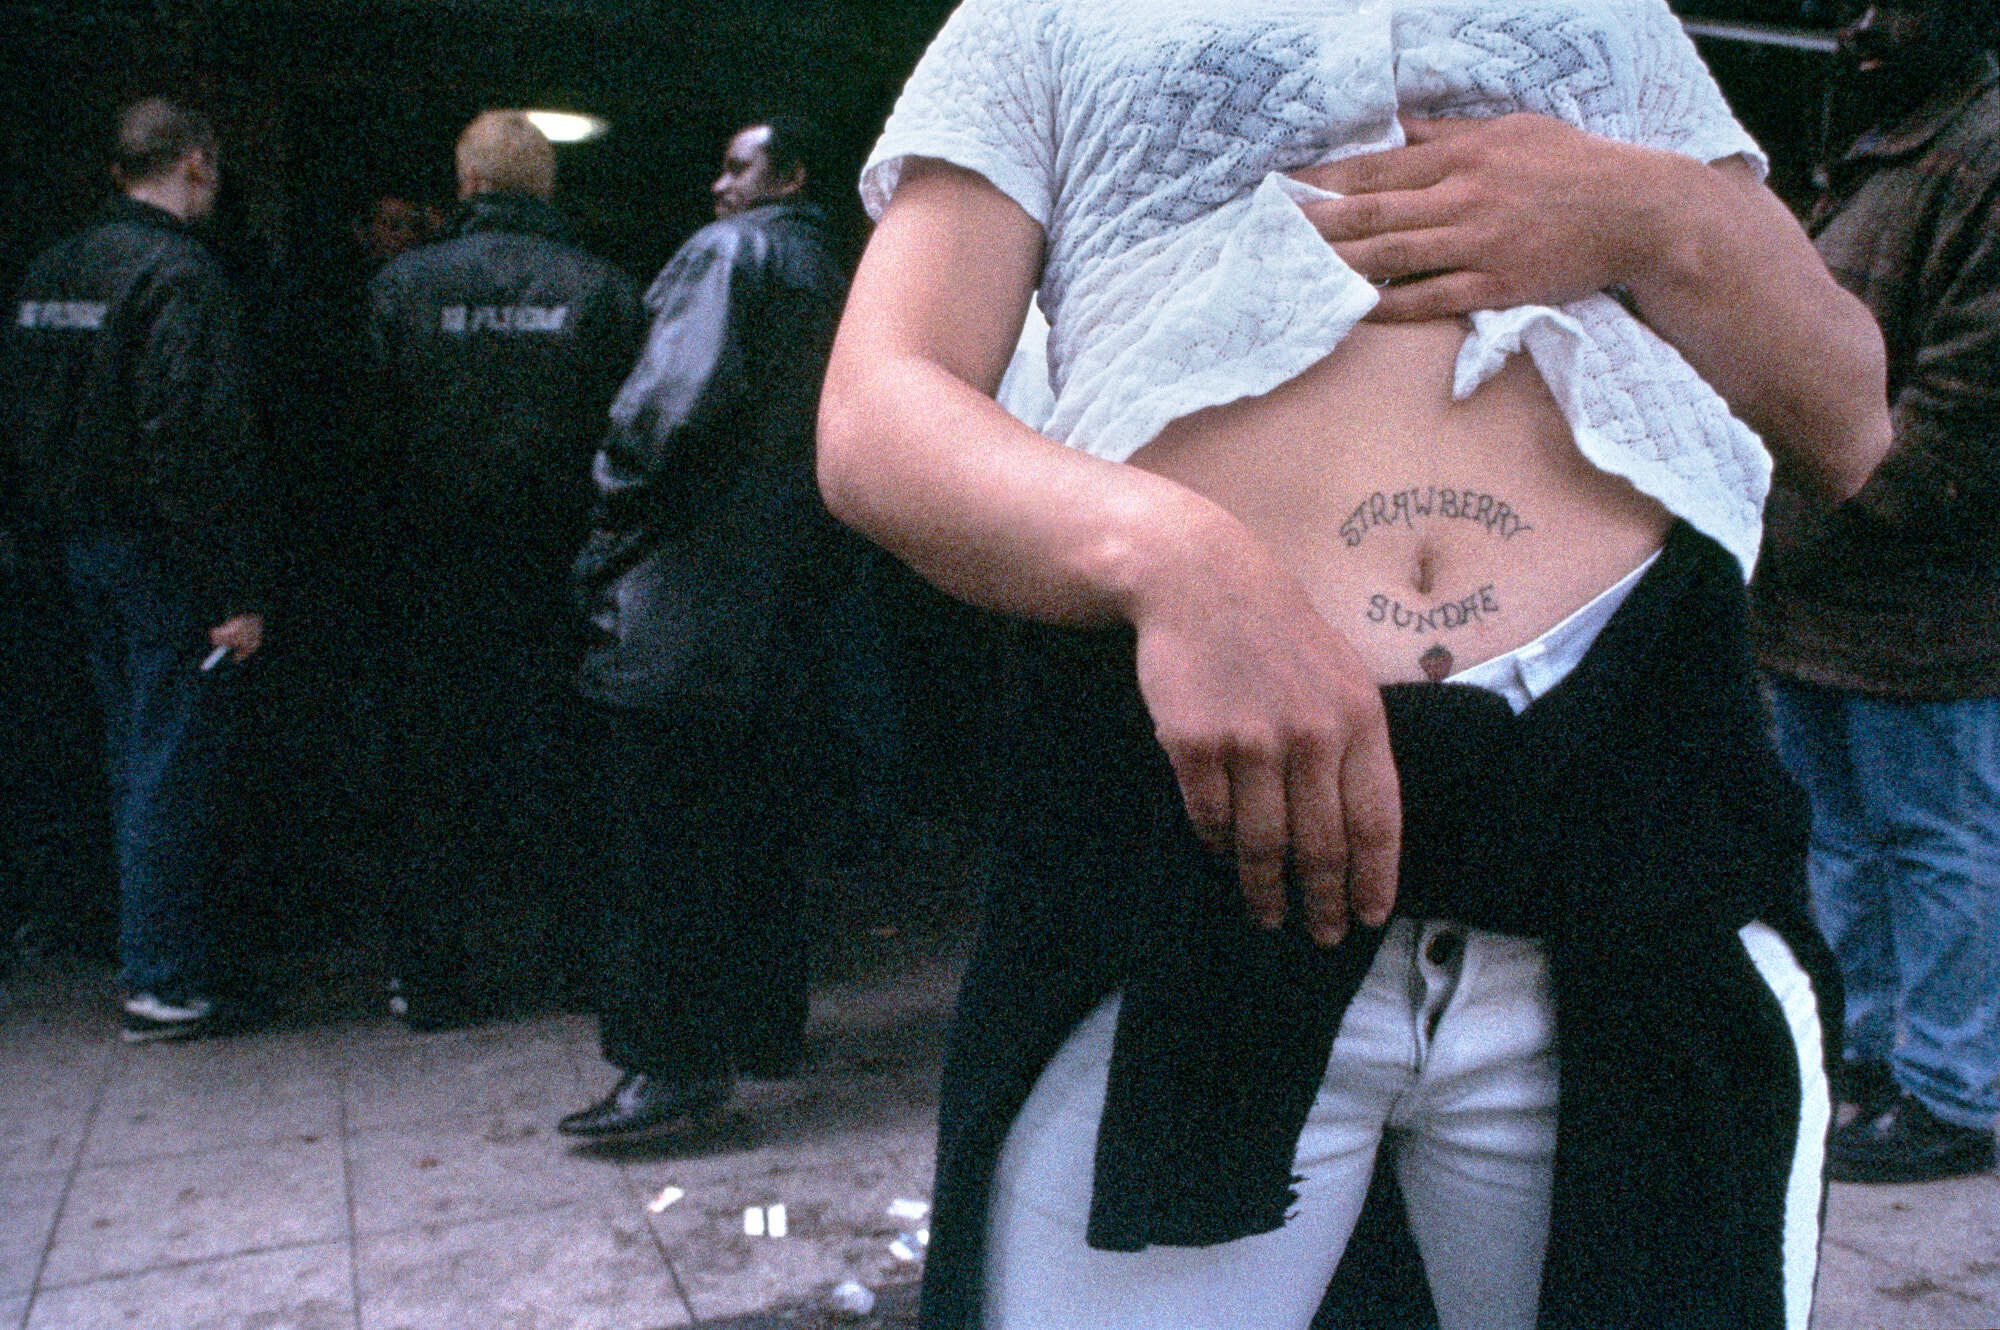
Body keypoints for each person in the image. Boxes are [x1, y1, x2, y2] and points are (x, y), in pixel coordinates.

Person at [818, 4, 1893, 1328]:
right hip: (1200, 847)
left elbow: (1848, 415)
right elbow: (878, 412)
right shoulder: (1043, 16)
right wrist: (1175, 561)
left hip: (1633, 810)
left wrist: (1661, 219)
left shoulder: (1614, 17)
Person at [557, 117, 853, 1141]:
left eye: (737, 165)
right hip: (781, 596)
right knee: (758, 828)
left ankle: (669, 1065)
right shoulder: (833, 267)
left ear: (789, 175)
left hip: (680, 597)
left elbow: (661, 416)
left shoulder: (731, 253)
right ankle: (764, 1025)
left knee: (659, 845)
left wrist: (606, 521)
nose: (717, 182)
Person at [1753, 0, 2000, 1185]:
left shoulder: (1978, 157)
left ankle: (1952, 1092)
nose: (1856, 28)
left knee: (1936, 844)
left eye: (1890, 7)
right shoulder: (1877, 147)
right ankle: (1864, 1056)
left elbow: (1967, 404)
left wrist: (1837, 514)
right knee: (1843, 840)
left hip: (1919, 606)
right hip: (1819, 594)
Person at [360, 109, 643, 1027]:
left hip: (431, 571)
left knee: (432, 776)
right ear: (548, 188)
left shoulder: (401, 286)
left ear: (466, 185)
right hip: (567, 568)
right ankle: (582, 966)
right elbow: (634, 439)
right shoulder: (602, 290)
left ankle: (432, 980)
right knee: (572, 768)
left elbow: (362, 440)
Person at [2, 96, 270, 1042]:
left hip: (74, 547)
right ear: (197, 163)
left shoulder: (51, 269)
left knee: (128, 756)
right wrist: (234, 590)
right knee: (170, 763)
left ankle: (142, 952)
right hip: (161, 556)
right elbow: (190, 442)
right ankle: (163, 977)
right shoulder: (178, 272)